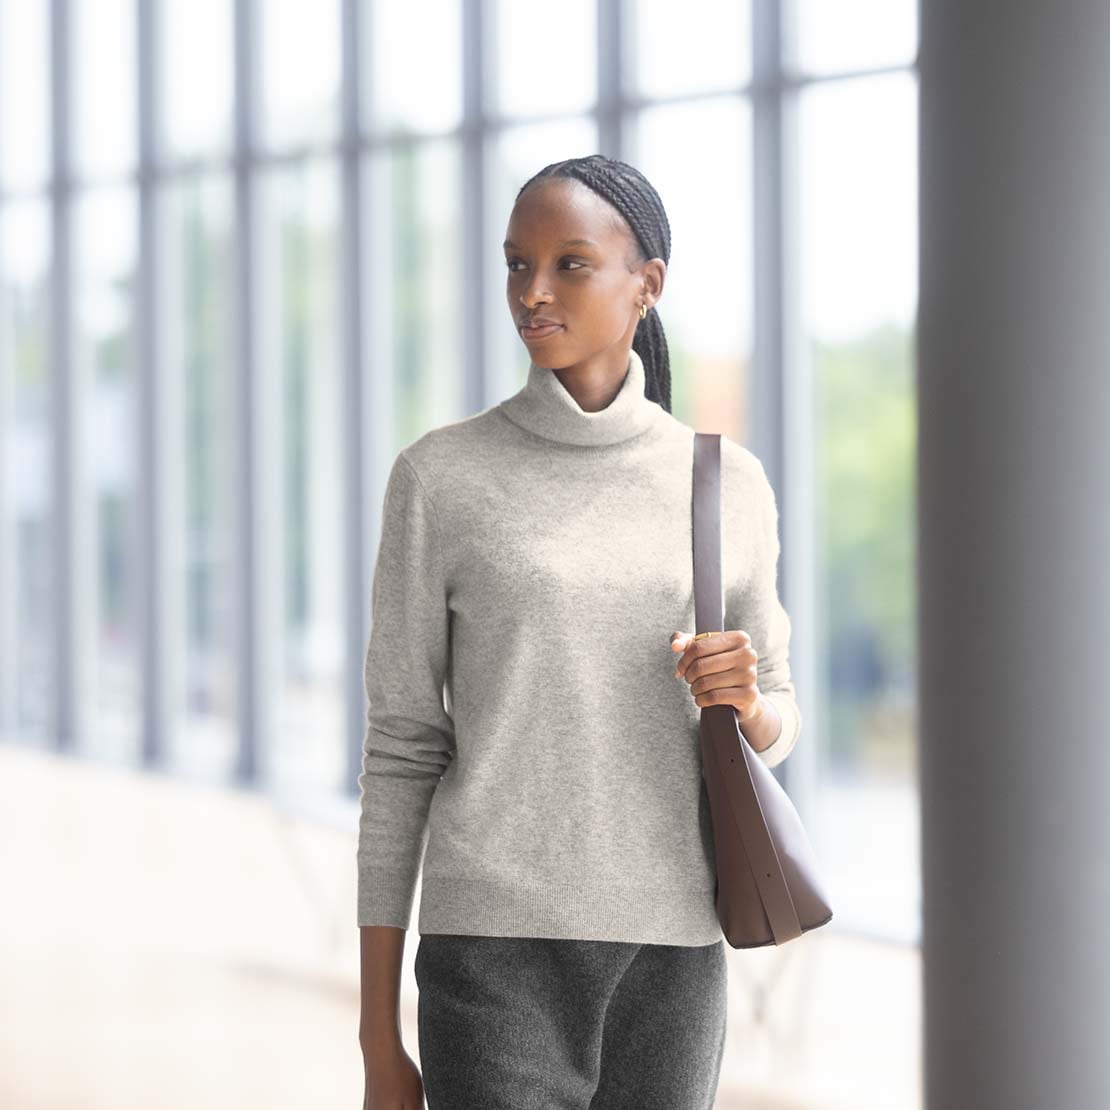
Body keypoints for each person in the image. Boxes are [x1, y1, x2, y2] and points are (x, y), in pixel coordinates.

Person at [357, 154, 803, 1110]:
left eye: (569, 265)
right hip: (492, 949)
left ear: (647, 285)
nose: (533, 292)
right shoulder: (442, 478)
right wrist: (375, 1036)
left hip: (674, 953)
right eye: (517, 265)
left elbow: (781, 711)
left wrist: (750, 706)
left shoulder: (725, 484)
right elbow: (402, 750)